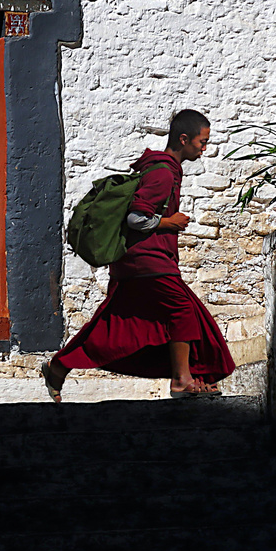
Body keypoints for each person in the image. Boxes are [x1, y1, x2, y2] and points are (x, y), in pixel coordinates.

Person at [42, 109, 236, 401]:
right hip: (148, 261)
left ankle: (58, 366)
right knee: (183, 311)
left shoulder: (161, 168)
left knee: (114, 326)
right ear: (184, 139)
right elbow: (136, 218)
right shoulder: (162, 172)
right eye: (202, 142)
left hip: (137, 263)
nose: (204, 148)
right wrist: (169, 222)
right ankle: (183, 380)